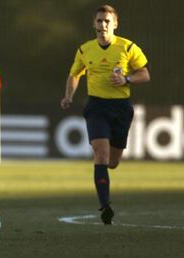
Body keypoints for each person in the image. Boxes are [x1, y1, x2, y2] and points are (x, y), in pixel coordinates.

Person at [60, 5, 150, 225]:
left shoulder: (127, 47)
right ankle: (105, 205)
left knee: (112, 162)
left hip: (120, 108)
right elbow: (74, 74)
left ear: (115, 24)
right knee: (100, 154)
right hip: (96, 106)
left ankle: (105, 192)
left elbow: (145, 74)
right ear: (94, 24)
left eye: (107, 21)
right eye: (99, 21)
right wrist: (68, 96)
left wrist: (127, 79)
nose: (103, 25)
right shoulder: (84, 50)